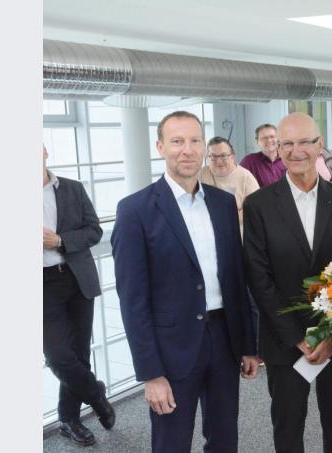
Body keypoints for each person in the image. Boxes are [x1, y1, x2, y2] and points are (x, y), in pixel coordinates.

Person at [112, 111, 259, 453]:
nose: (187, 150)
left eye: (195, 141)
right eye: (177, 141)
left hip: (224, 339)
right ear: (161, 146)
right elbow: (132, 300)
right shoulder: (135, 210)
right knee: (172, 442)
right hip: (170, 348)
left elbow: (236, 279)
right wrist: (150, 373)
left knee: (225, 439)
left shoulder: (223, 204)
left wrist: (249, 343)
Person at [244, 112, 332, 453]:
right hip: (284, 341)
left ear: (320, 145)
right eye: (287, 143)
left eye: (305, 142)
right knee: (288, 426)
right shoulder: (258, 205)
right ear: (278, 148)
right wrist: (296, 336)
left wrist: (330, 334)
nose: (296, 151)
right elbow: (258, 276)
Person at [43, 145, 115, 447]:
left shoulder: (72, 188)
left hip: (76, 279)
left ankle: (68, 420)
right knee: (58, 356)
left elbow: (94, 231)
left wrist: (59, 240)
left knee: (79, 353)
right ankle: (96, 395)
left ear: (44, 151)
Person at [200, 136, 260, 234]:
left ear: (232, 156)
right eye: (213, 157)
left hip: (238, 237)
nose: (219, 161)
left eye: (223, 156)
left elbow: (255, 212)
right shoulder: (202, 174)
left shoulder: (246, 178)